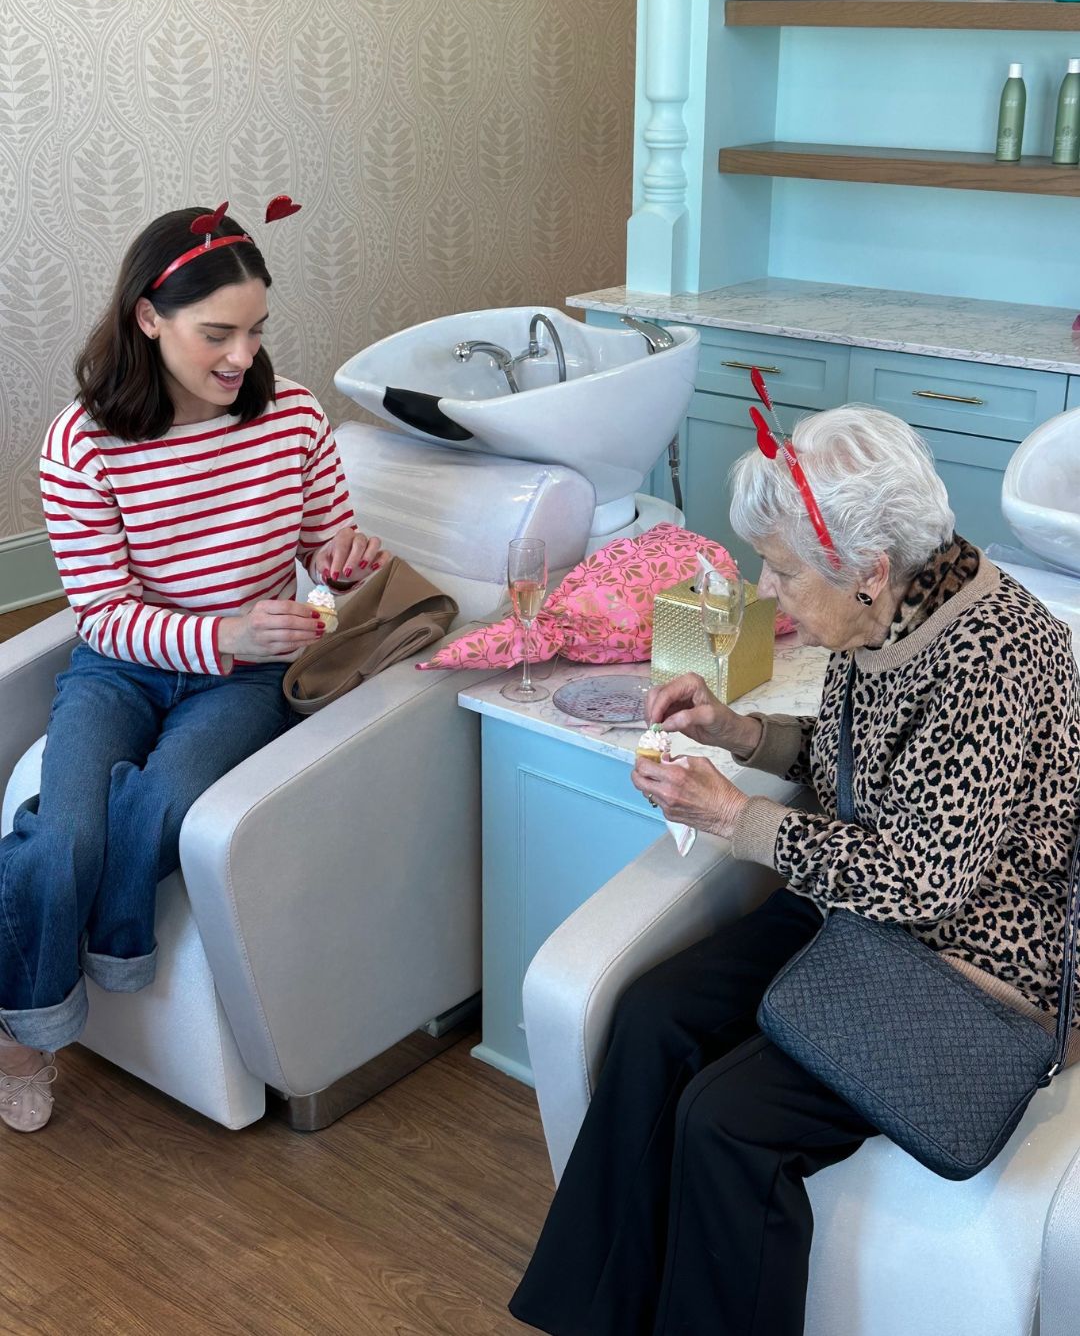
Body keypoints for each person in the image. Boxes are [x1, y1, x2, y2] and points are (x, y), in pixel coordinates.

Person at [509, 404, 1080, 1336]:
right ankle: (594, 1316)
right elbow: (863, 765)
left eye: (779, 568)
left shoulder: (999, 654)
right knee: (652, 1019)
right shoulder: (885, 611)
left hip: (969, 963)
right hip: (858, 905)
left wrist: (735, 817)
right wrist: (743, 733)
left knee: (729, 1124)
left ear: (867, 570)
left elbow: (923, 877)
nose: (760, 584)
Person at [0, 204, 381, 1132]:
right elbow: (101, 615)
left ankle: (112, 948)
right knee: (61, 835)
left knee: (166, 801)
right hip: (121, 667)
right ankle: (23, 1034)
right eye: (218, 334)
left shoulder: (291, 417)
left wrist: (341, 560)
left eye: (255, 331)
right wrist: (224, 635)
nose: (242, 356)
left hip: (248, 679)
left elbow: (325, 538)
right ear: (147, 318)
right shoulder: (82, 443)